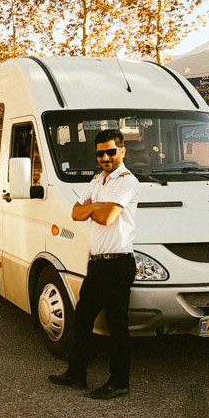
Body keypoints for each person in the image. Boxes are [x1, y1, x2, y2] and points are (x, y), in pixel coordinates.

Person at [48, 129, 141, 400]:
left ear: (123, 151)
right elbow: (76, 213)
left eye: (111, 151)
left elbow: (108, 217)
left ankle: (119, 381)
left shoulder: (126, 181)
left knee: (117, 326)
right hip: (98, 264)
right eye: (100, 153)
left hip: (117, 264)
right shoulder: (97, 180)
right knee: (83, 317)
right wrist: (95, 207)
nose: (105, 157)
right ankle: (77, 375)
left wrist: (95, 208)